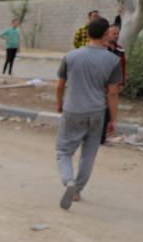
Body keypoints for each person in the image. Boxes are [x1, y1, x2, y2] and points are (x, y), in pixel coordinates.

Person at [54, 17, 121, 210]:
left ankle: (69, 182)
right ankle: (77, 190)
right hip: (97, 111)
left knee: (63, 151)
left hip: (73, 109)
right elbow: (113, 93)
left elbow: (60, 85)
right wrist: (114, 119)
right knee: (89, 154)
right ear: (106, 34)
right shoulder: (113, 60)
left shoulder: (71, 56)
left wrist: (59, 103)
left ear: (88, 33)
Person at [100, 24, 126, 146]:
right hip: (101, 85)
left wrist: (122, 83)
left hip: (113, 85)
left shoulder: (120, 50)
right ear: (107, 34)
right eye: (114, 33)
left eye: (117, 34)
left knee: (108, 111)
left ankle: (102, 137)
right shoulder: (101, 48)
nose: (116, 36)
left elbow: (123, 67)